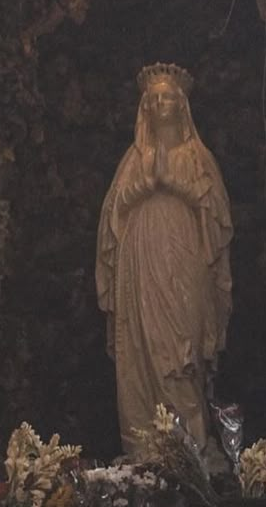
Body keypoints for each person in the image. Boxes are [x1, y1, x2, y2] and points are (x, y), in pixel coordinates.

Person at [96, 63, 233, 455]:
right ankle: (146, 442)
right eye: (153, 98)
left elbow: (216, 212)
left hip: (184, 252)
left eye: (167, 96)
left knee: (180, 342)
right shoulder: (134, 158)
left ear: (181, 104)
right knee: (143, 340)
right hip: (141, 253)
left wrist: (174, 184)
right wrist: (142, 186)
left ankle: (189, 442)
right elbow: (113, 214)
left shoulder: (196, 156)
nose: (160, 103)